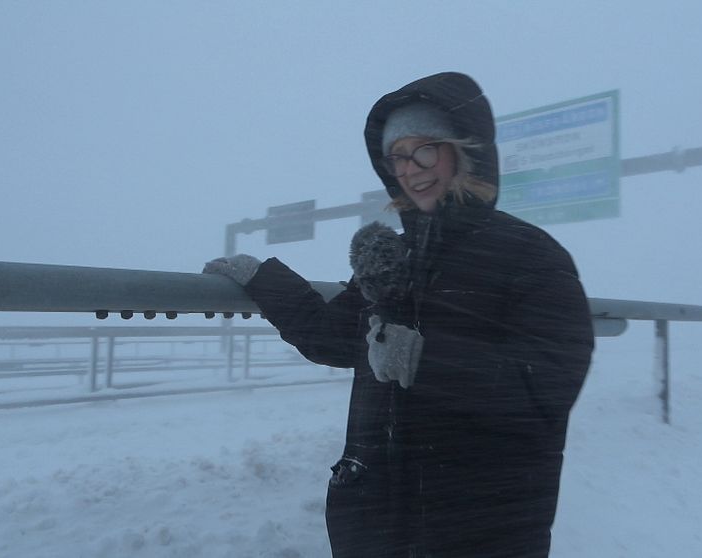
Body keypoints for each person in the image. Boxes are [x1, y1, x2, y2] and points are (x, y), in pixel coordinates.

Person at [204, 72, 594, 558]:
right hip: (377, 523)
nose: (410, 169)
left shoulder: (530, 256)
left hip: (478, 528)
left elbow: (548, 389)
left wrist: (427, 362)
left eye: (424, 149)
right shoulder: (395, 258)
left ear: (463, 149)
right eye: (398, 156)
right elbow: (332, 336)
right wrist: (264, 278)